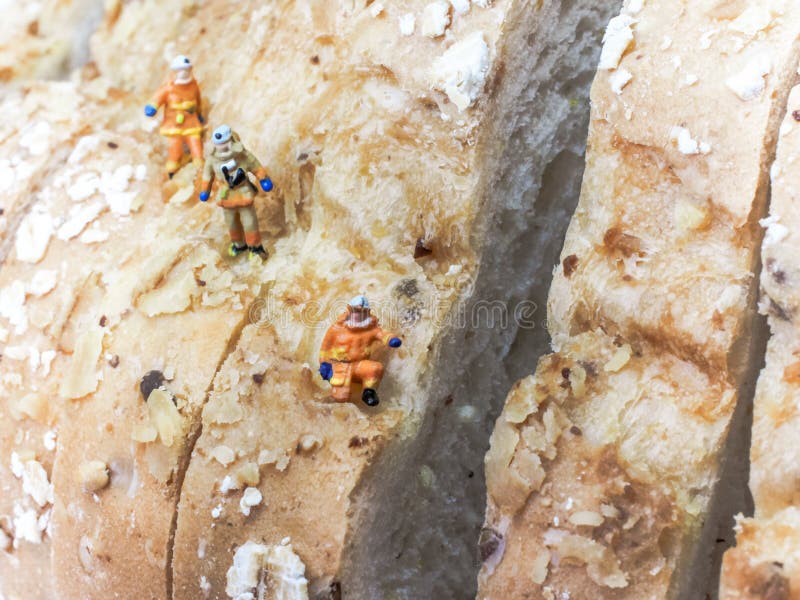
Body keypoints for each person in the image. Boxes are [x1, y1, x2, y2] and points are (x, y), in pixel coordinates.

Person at [199, 125, 273, 258]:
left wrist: (263, 179)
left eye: (225, 143)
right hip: (226, 195)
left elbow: (255, 166)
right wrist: (205, 190)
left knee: (249, 222)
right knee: (231, 223)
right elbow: (207, 175)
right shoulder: (212, 159)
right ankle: (238, 244)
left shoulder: (242, 154)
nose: (223, 147)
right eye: (220, 144)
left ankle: (255, 247)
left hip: (243, 192)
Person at [319, 296, 402, 407]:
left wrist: (391, 339)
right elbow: (325, 347)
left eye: (362, 312)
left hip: (359, 365)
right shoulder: (336, 329)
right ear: (349, 311)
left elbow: (382, 334)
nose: (358, 315)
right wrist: (324, 364)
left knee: (375, 368)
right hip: (339, 366)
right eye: (356, 311)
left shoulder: (370, 329)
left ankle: (368, 392)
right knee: (340, 397)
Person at [144, 55, 205, 178]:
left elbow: (197, 101)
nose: (183, 73)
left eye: (186, 70)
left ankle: (200, 170)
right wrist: (152, 107)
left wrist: (198, 113)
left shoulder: (193, 86)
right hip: (174, 124)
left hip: (191, 123)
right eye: (180, 71)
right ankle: (172, 170)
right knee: (175, 150)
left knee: (196, 148)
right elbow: (158, 98)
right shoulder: (169, 88)